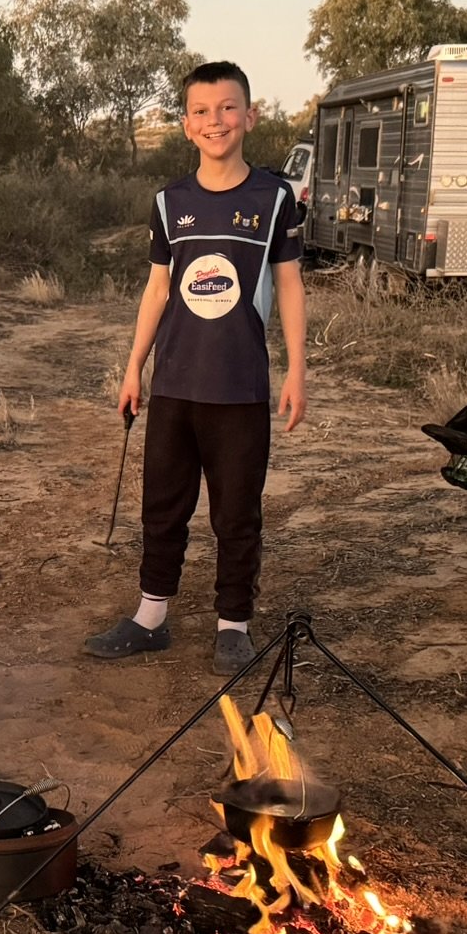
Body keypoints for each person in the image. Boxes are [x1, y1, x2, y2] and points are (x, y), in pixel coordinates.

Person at [83, 60, 307, 676]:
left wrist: (296, 371)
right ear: (186, 125)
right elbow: (158, 291)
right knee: (164, 504)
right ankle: (150, 617)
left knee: (237, 512)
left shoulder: (274, 198)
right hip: (175, 385)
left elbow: (288, 287)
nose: (217, 121)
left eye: (228, 108)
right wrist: (134, 367)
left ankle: (233, 625)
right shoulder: (169, 202)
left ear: (249, 116)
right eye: (203, 112)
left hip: (239, 388)